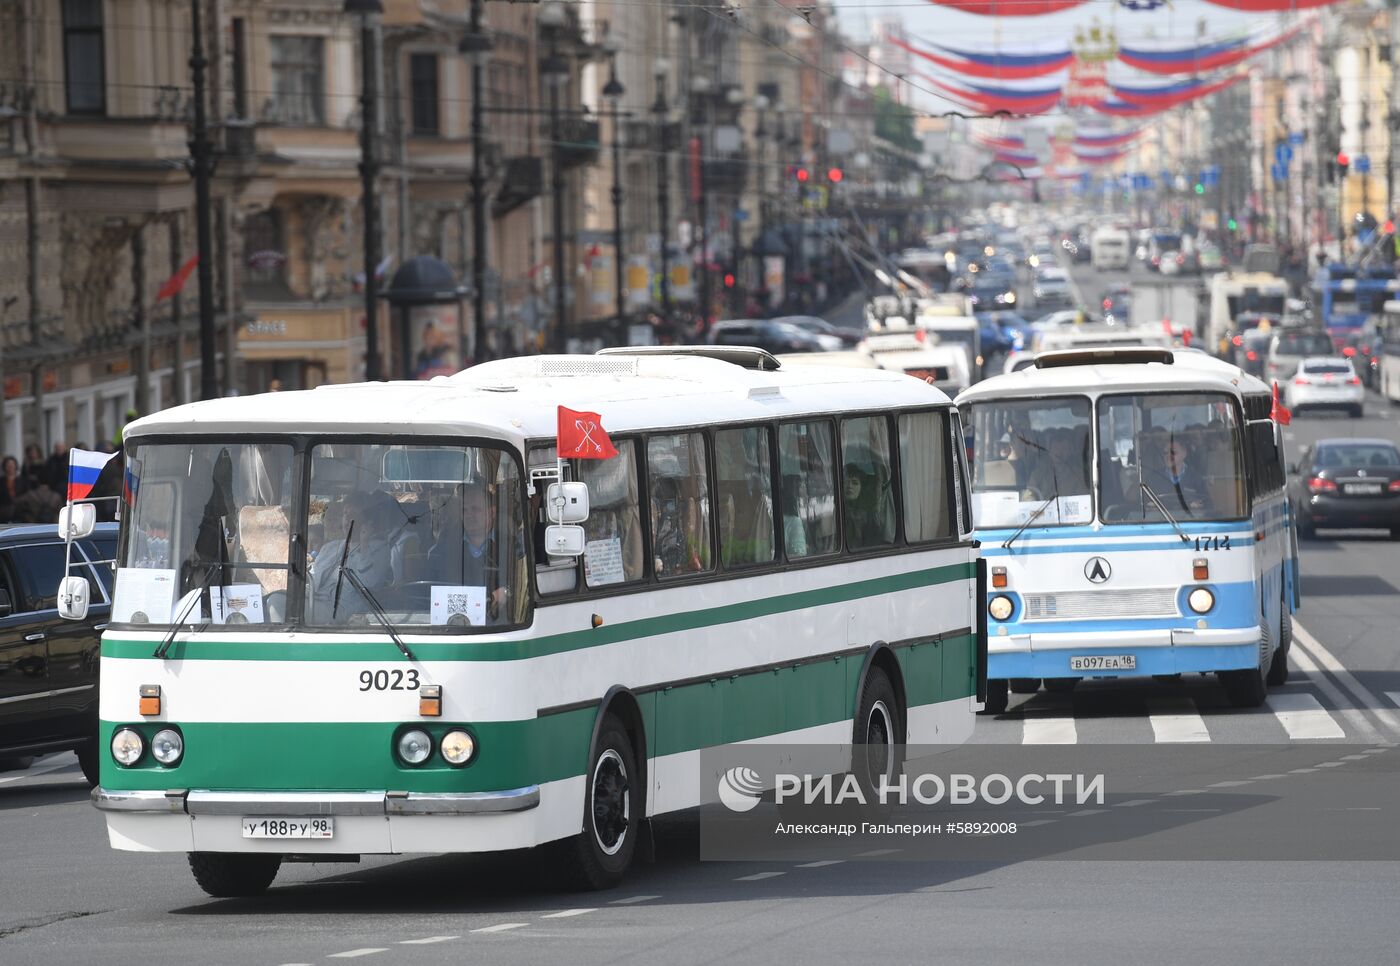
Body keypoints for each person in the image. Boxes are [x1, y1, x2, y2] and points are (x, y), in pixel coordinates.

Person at [426, 484, 519, 621]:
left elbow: (520, 583)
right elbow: (430, 581)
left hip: (498, 623)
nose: (469, 515)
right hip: (450, 622)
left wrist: (505, 592)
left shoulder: (509, 544)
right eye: (465, 510)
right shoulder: (446, 544)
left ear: (492, 513)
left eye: (475, 509)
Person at [308, 490, 396, 621]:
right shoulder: (330, 547)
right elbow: (313, 577)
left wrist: (364, 545)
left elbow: (369, 582)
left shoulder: (379, 549)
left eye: (353, 514)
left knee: (284, 607)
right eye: (345, 513)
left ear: (367, 521)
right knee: (279, 598)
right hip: (315, 598)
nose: (347, 519)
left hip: (342, 608)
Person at [1145, 435, 1208, 515]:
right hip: (1160, 521)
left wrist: (1198, 507)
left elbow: (1207, 506)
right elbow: (1141, 507)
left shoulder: (1196, 478)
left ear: (1184, 453)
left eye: (1173, 452)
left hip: (1190, 521)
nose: (1168, 456)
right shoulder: (1153, 478)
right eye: (1165, 453)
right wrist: (1149, 507)